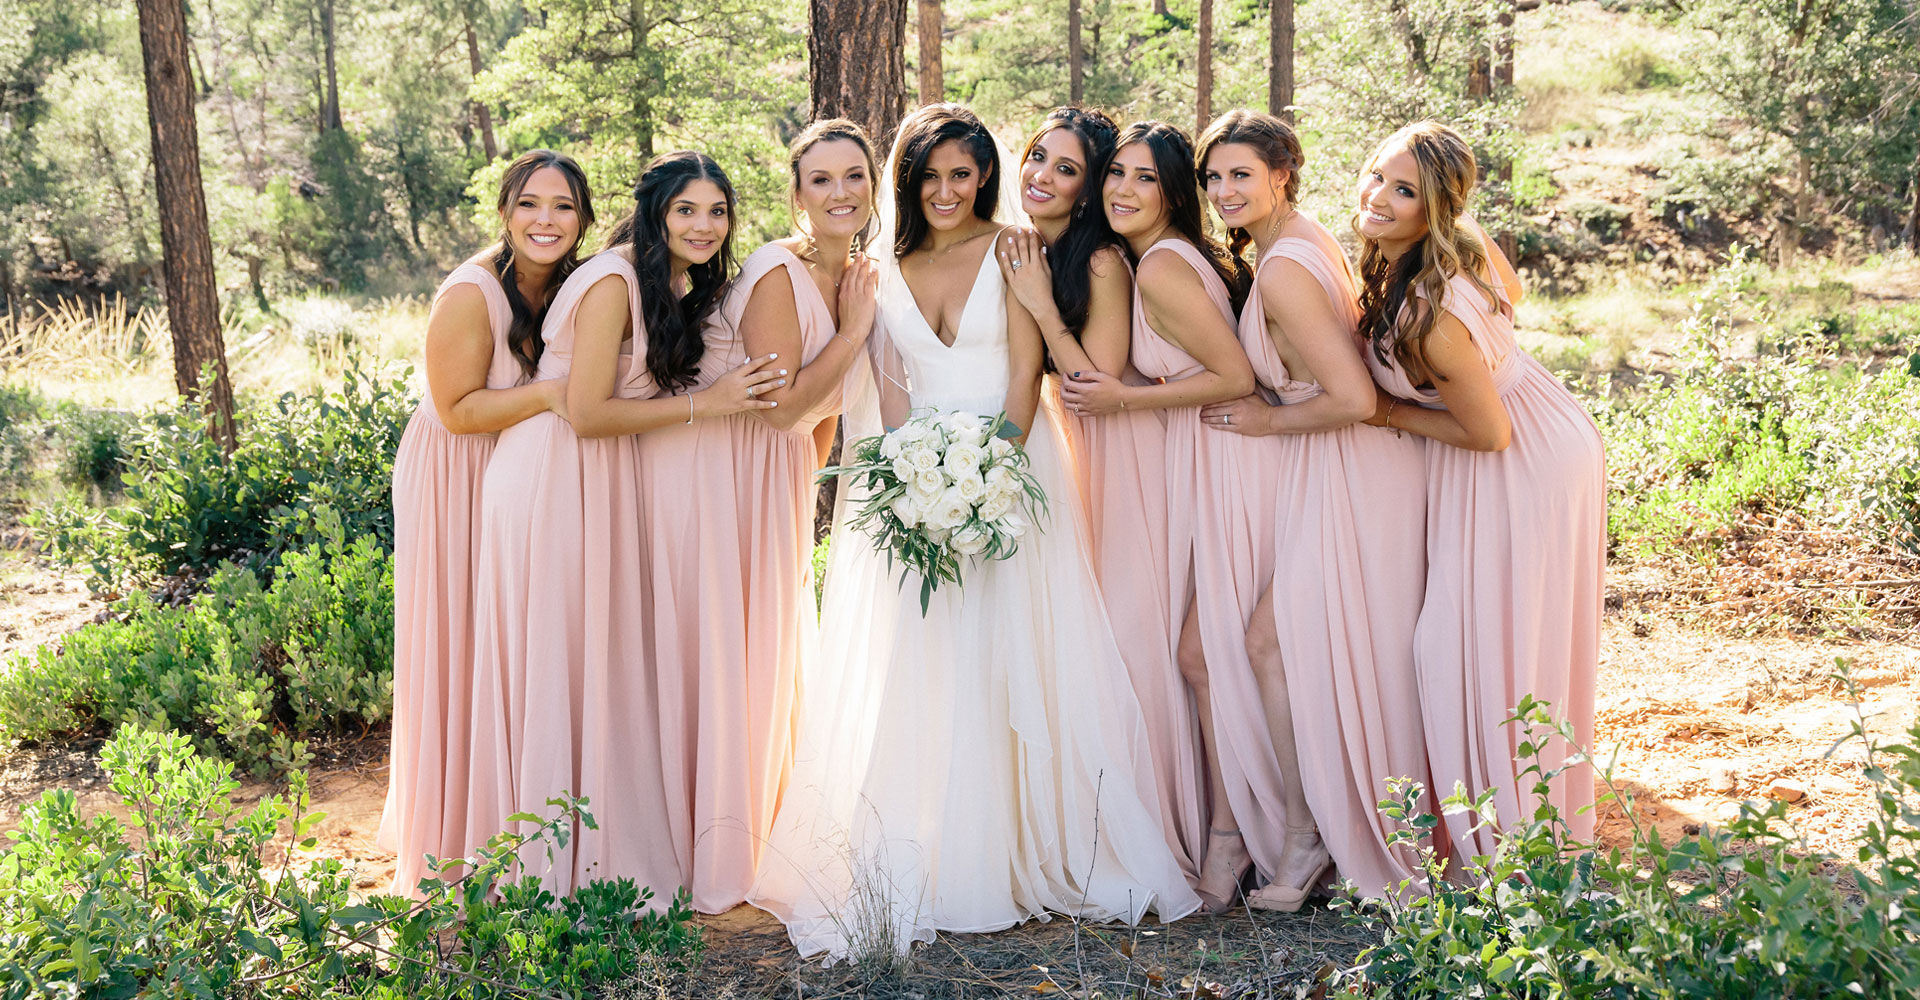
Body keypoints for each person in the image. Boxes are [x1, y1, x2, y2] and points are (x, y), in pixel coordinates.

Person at [750, 103, 1199, 963]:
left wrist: (991, 475)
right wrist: (911, 485)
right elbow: (886, 386)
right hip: (911, 479)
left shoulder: (1013, 249)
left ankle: (1028, 845)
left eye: (963, 174)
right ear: (909, 183)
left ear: (985, 177)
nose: (947, 190)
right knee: (922, 661)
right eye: (930, 176)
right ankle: (935, 847)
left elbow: (1025, 378)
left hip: (1012, 472)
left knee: (1015, 656)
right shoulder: (882, 267)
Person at [465, 151, 784, 900]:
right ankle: (544, 867)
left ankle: (597, 845)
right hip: (554, 472)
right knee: (560, 655)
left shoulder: (671, 284)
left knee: (596, 661)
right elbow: (585, 413)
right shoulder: (613, 279)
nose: (703, 226)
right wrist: (714, 403)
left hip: (601, 478)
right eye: (686, 211)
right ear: (653, 213)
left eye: (717, 212)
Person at [635, 120, 880, 913]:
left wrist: (798, 503)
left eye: (854, 177)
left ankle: (746, 824)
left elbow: (818, 424)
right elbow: (781, 411)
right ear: (795, 194)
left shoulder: (858, 272)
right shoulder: (780, 269)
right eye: (821, 180)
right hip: (714, 471)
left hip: (768, 484)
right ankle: (697, 843)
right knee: (723, 648)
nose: (840, 193)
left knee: (762, 648)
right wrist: (852, 334)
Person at [1194, 110, 1431, 907]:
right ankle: (1316, 823)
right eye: (1213, 176)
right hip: (1331, 466)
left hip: (1352, 469)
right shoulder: (1296, 245)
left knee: (1271, 640)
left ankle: (1310, 835)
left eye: (1240, 175)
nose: (1224, 190)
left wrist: (1263, 418)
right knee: (1287, 644)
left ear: (1281, 175)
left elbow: (1355, 397)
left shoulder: (1287, 267)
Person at [1354, 121, 1604, 863]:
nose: (1380, 197)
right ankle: (1519, 813)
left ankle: (1512, 838)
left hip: (1518, 460)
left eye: (1406, 192)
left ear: (1435, 210)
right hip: (1538, 423)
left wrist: (1387, 410)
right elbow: (1514, 291)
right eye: (1378, 176)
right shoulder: (1455, 243)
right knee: (1504, 635)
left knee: (1479, 643)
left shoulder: (1427, 314)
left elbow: (1488, 434)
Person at [1062, 120, 1286, 913]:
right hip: (1200, 464)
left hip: (1225, 467)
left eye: (1145, 178)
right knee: (1202, 657)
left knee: (1204, 655)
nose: (1122, 189)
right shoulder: (1156, 259)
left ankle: (1237, 834)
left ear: (1173, 193)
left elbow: (1231, 377)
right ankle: (1226, 831)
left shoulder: (1159, 266)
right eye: (1115, 174)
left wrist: (1128, 397)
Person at [998, 107, 1208, 883]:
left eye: (1065, 169)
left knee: (1129, 641)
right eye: (1035, 159)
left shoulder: (1102, 266)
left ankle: (1159, 828)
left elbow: (1097, 380)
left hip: (1123, 454)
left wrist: (1039, 303)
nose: (1041, 178)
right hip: (1074, 455)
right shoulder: (1031, 248)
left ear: (1084, 193)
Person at [379, 149, 592, 895]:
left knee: (506, 643)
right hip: (454, 471)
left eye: (563, 206)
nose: (546, 220)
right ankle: (452, 837)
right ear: (504, 212)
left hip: (513, 477)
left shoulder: (570, 284)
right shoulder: (471, 293)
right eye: (530, 203)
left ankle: (509, 812)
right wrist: (554, 394)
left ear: (583, 219)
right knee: (460, 639)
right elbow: (459, 410)